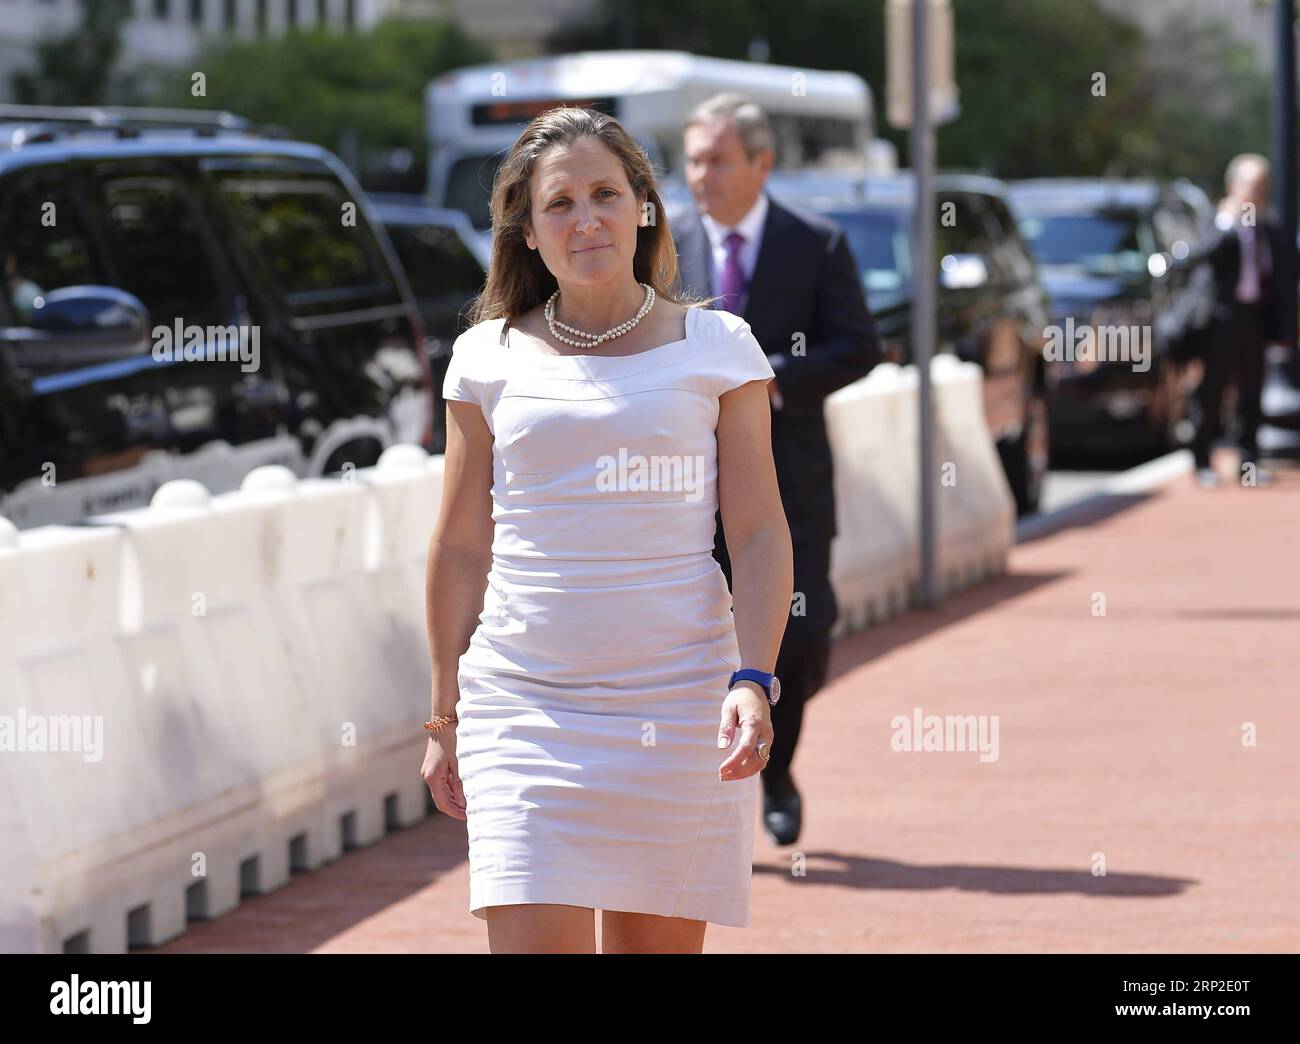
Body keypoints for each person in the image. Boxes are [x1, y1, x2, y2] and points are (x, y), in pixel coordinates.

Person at [421, 104, 794, 954]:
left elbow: (761, 531)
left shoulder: (718, 346)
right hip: (522, 706)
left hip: (677, 704)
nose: (585, 219)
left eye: (605, 194)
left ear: (644, 209)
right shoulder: (485, 357)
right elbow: (457, 545)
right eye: (559, 203)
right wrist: (442, 715)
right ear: (523, 229)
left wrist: (754, 678)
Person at [671, 93, 879, 845]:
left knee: (807, 632)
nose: (701, 176)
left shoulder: (816, 243)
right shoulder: (659, 243)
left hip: (791, 479)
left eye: (717, 160)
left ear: (763, 162)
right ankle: (712, 790)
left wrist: (771, 380)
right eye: (693, 159)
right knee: (699, 636)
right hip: (686, 490)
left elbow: (860, 345)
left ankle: (779, 764)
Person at [1185, 153, 1286, 488]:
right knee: (1211, 393)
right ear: (1234, 185)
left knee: (1251, 395)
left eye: (1262, 187)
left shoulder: (1266, 225)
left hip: (1253, 318)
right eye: (1252, 185)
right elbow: (1205, 258)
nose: (1257, 193)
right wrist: (1227, 222)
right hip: (1219, 319)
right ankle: (1202, 461)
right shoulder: (1216, 220)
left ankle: (1248, 465)